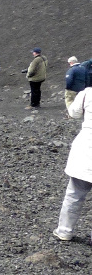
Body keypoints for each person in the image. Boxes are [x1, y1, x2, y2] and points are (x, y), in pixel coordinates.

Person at [55, 86, 92, 242]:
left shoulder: (87, 93)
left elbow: (74, 113)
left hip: (86, 149)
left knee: (74, 194)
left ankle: (64, 230)